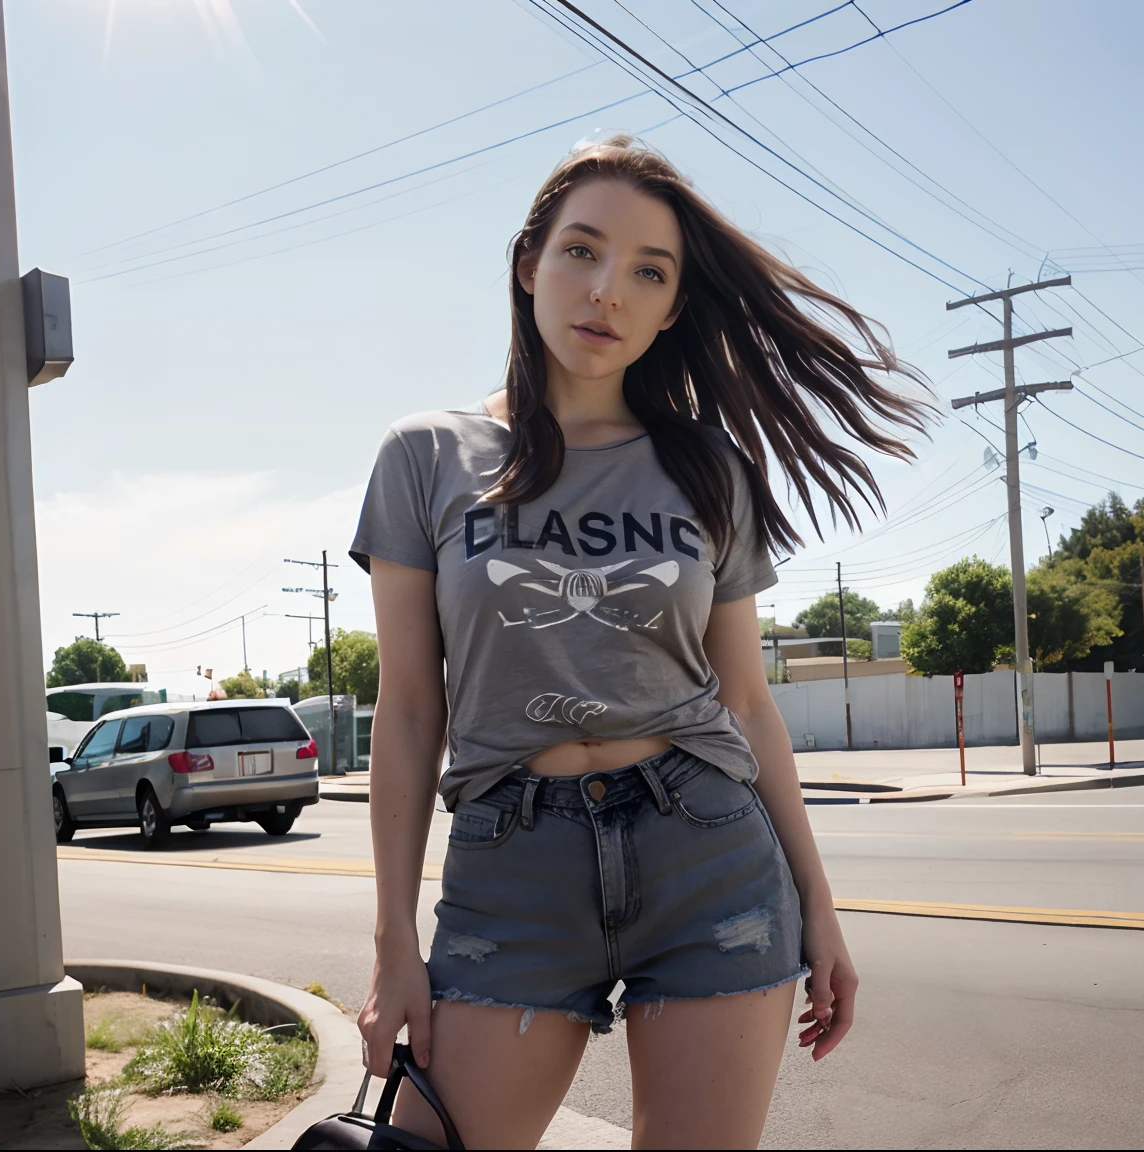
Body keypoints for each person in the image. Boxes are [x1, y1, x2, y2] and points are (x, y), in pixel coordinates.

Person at [349, 135, 928, 1149]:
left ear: (670, 309)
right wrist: (394, 938)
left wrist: (820, 908)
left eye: (647, 272)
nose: (606, 289)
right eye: (582, 251)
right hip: (511, 862)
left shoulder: (708, 467)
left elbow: (747, 703)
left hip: (706, 849)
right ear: (529, 264)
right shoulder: (425, 456)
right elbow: (407, 710)